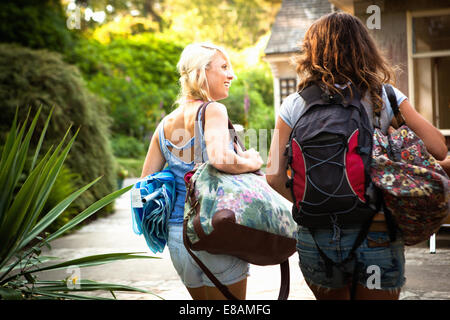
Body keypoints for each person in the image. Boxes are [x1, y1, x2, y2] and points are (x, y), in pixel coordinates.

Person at [266, 12, 448, 300]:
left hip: (316, 234)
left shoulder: (294, 105)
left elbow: (273, 176)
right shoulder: (385, 96)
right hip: (375, 229)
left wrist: (315, 203)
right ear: (364, 47)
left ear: (311, 53)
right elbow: (438, 148)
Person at [140, 42, 263, 300]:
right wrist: (252, 161)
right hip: (214, 231)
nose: (232, 75)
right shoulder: (214, 110)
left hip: (178, 238)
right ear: (201, 72)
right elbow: (219, 158)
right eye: (224, 67)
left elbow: (145, 183)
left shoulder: (164, 124)